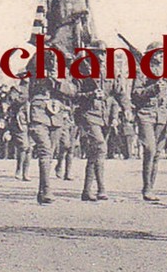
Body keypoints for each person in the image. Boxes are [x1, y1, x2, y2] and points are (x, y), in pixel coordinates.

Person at [131, 41, 167, 202]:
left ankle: (150, 187)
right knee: (149, 149)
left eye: (162, 53)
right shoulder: (141, 71)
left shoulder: (166, 72)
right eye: (158, 53)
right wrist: (153, 89)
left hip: (162, 115)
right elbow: (136, 94)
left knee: (157, 153)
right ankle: (146, 188)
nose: (161, 56)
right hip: (146, 114)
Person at [28, 53, 75, 205]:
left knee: (52, 151)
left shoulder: (66, 71)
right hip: (39, 112)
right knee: (45, 150)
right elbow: (31, 66)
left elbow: (72, 90)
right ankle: (46, 189)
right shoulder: (37, 64)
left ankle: (42, 191)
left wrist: (59, 81)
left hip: (57, 114)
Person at [74, 40, 111, 201]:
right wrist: (91, 95)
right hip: (87, 114)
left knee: (94, 152)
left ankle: (87, 191)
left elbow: (118, 91)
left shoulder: (106, 71)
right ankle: (101, 188)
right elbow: (73, 94)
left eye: (103, 53)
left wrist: (126, 109)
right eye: (98, 53)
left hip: (103, 116)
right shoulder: (82, 70)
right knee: (101, 147)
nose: (102, 56)